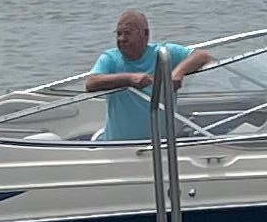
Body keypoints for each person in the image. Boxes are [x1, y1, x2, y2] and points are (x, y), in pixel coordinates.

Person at [88, 9, 211, 140]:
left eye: (128, 33)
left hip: (161, 144)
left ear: (145, 34)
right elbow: (91, 83)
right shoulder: (110, 58)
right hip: (119, 147)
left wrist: (178, 73)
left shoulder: (163, 53)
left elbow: (202, 56)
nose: (122, 39)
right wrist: (129, 79)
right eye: (119, 34)